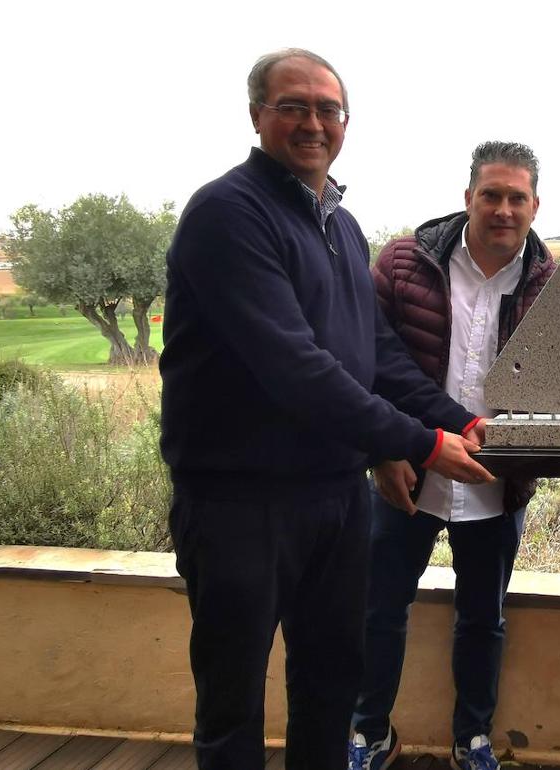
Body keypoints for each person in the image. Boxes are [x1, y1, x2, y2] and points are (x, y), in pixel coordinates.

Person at [159, 48, 494, 770]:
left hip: (335, 501)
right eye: (293, 106)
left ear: (345, 122)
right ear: (257, 116)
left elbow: (375, 354)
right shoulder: (227, 214)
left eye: (327, 109)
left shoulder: (340, 225)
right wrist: (423, 443)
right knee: (232, 701)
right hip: (238, 504)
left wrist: (459, 420)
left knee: (331, 686)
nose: (313, 122)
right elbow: (297, 370)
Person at [348, 141, 558, 770]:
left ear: (534, 205)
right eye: (490, 195)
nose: (502, 209)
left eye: (515, 197)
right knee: (380, 609)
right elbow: (367, 364)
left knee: (483, 619)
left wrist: (525, 454)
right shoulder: (402, 262)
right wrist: (385, 451)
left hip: (496, 483)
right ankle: (369, 732)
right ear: (468, 197)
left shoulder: (550, 283)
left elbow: (554, 392)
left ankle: (472, 738)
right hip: (406, 470)